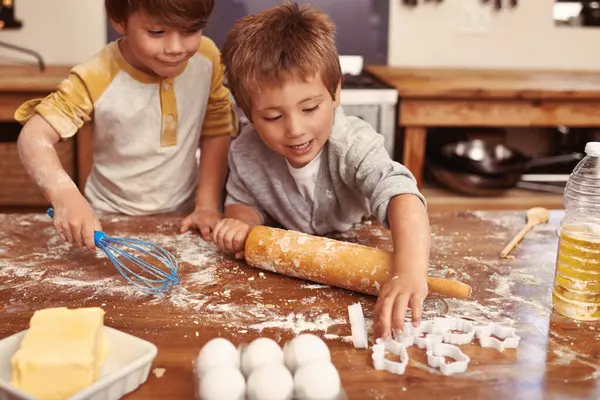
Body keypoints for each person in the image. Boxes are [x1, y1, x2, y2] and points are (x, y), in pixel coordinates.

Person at [213, 2, 431, 340]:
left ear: (336, 92)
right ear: (248, 114)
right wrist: (240, 224)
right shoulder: (245, 151)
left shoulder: (352, 144)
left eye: (310, 108)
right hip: (288, 274)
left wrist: (410, 272)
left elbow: (401, 195)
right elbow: (244, 202)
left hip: (355, 248)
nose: (296, 129)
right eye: (273, 117)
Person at [15, 0, 236, 252]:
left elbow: (217, 128)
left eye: (190, 30)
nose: (175, 48)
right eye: (157, 32)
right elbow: (33, 136)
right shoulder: (97, 74)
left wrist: (207, 206)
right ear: (119, 21)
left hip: (183, 216)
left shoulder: (207, 58)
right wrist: (65, 196)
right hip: (110, 217)